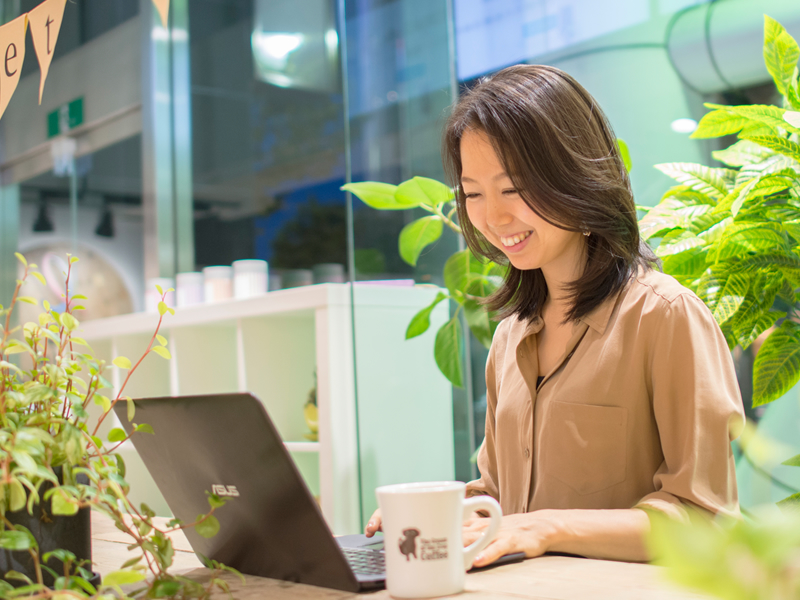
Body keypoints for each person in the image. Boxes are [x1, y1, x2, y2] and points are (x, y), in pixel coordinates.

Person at [365, 64, 745, 566]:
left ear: (576, 175)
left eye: (514, 187)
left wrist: (547, 526)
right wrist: (450, 513)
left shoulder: (665, 317)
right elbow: (504, 500)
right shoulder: (509, 338)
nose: (494, 218)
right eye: (473, 193)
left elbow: (705, 519)